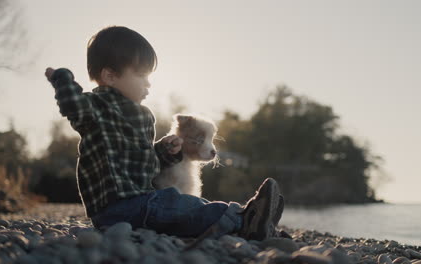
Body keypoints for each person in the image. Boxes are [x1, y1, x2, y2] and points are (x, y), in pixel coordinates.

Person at [45, 25, 285, 241]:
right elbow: (71, 104)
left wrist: (164, 151)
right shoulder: (94, 107)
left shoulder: (142, 115)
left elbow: (145, 162)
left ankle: (253, 223)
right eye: (141, 76)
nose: (148, 84)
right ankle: (244, 219)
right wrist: (61, 77)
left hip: (141, 201)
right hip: (116, 207)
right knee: (177, 205)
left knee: (191, 205)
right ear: (109, 76)